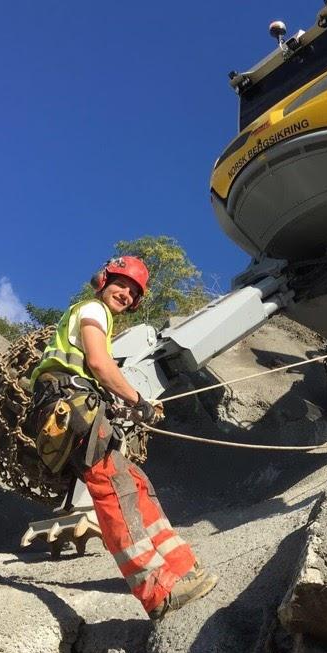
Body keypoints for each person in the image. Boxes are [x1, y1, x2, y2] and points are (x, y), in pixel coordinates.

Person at [28, 256, 218, 621]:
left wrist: (124, 405)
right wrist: (139, 401)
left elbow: (94, 373)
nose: (127, 294)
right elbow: (100, 364)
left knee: (135, 483)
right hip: (71, 406)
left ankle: (183, 567)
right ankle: (158, 592)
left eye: (133, 292)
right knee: (114, 491)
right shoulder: (93, 310)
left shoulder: (96, 315)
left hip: (74, 405)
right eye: (122, 284)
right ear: (104, 281)